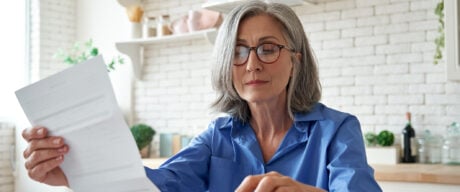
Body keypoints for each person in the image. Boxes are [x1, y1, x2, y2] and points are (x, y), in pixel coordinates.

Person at [22, 1, 382, 191]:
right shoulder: (217, 138)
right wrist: (69, 173)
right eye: (238, 52)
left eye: (268, 49)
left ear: (295, 61)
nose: (252, 64)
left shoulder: (336, 131)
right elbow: (156, 185)